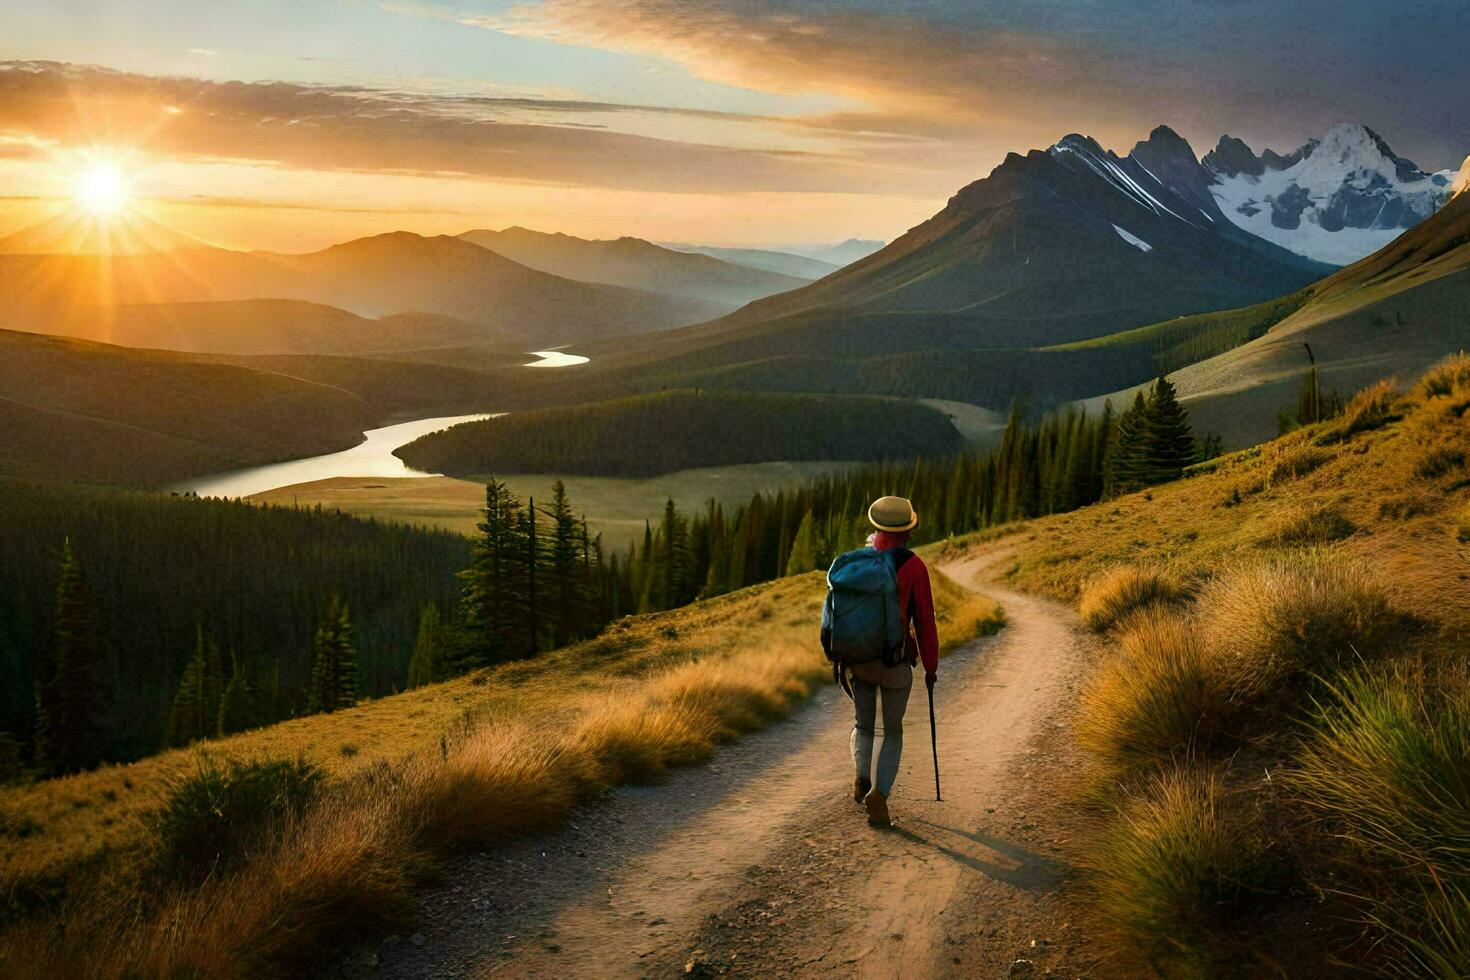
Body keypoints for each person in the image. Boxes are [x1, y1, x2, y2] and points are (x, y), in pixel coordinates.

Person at [823, 495, 939, 827]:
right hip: (895, 663)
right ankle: (880, 794)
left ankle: (861, 776)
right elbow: (925, 622)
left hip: (859, 661)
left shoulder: (855, 563)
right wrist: (930, 666)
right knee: (893, 731)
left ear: (876, 527)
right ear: (907, 530)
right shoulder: (914, 566)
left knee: (863, 725)